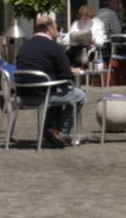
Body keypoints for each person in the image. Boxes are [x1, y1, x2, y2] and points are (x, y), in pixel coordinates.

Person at [10, 13, 83, 145]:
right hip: (44, 95)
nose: (57, 29)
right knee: (79, 95)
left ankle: (51, 130)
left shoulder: (24, 46)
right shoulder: (54, 47)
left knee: (55, 89)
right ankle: (62, 132)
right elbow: (67, 76)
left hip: (22, 95)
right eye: (56, 26)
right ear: (49, 27)